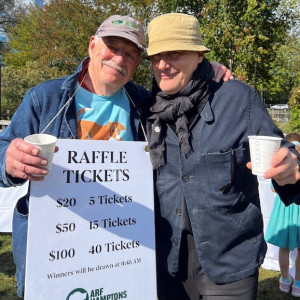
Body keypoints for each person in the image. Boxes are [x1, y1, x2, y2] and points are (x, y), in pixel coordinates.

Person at [0, 15, 231, 297]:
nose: (119, 59)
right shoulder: (45, 99)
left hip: (122, 251)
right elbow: (4, 152)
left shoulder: (146, 103)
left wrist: (207, 71)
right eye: (112, 47)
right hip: (56, 252)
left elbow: (186, 103)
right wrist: (9, 163)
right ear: (92, 45)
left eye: (131, 54)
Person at [145, 13, 300, 300]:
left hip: (231, 263)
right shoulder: (146, 109)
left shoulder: (239, 99)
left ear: (199, 55)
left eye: (175, 53)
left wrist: (291, 168)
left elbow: (282, 153)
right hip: (168, 263)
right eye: (155, 56)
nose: (162, 65)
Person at [265, 133, 300, 297]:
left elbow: (273, 188)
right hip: (298, 211)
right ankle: (298, 283)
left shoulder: (280, 169)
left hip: (283, 211)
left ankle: (285, 280)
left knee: (283, 248)